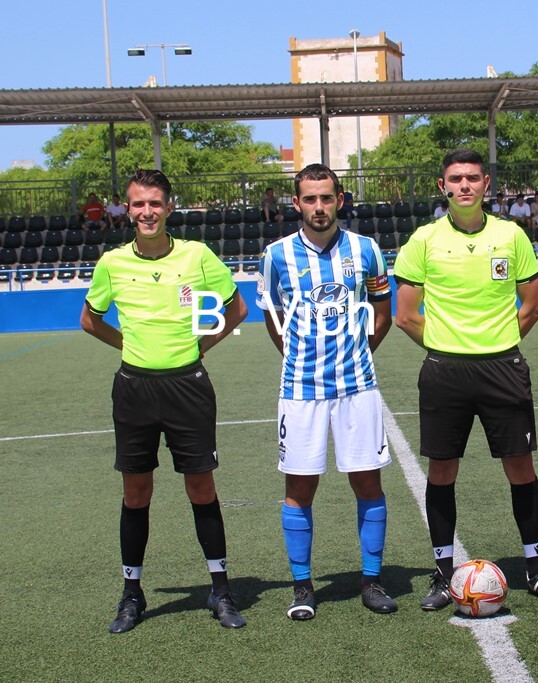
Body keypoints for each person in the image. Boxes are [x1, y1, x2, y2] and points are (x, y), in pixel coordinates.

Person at [393, 148, 538, 610]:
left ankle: (536, 569)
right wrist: (449, 347)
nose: (465, 186)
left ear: (486, 184)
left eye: (473, 177)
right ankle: (442, 575)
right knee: (442, 471)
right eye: (456, 179)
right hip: (444, 372)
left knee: (520, 467)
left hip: (502, 368)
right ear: (443, 186)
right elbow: (406, 316)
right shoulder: (424, 240)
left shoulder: (511, 236)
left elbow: (533, 305)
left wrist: (497, 344)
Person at [80, 168, 249, 633]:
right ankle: (131, 594)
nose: (147, 212)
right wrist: (129, 348)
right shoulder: (112, 263)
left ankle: (221, 590)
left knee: (202, 488)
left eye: (155, 203)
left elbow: (236, 308)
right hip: (134, 388)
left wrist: (200, 347)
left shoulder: (197, 255)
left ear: (169, 207)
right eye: (138, 204)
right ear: (127, 209)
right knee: (136, 493)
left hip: (187, 387)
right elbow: (90, 319)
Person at [256, 163, 396, 619]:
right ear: (297, 203)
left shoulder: (366, 250)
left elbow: (382, 313)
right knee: (299, 486)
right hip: (301, 390)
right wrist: (297, 356)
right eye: (310, 199)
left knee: (367, 481)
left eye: (327, 198)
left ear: (340, 200)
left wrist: (358, 353)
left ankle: (371, 581)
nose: (319, 207)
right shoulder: (276, 255)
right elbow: (274, 319)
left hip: (358, 386)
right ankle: (302, 586)